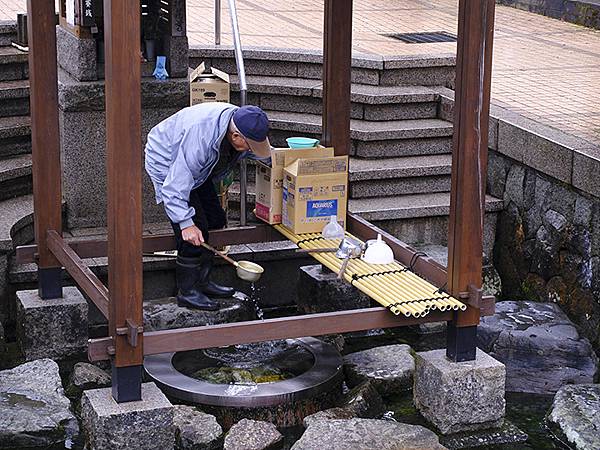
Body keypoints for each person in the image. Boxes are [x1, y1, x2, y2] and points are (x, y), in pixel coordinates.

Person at [145, 102, 271, 310]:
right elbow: (175, 187)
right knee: (194, 229)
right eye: (249, 145)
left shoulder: (240, 122)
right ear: (236, 137)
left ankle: (203, 281)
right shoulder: (201, 138)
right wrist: (186, 224)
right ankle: (187, 291)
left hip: (198, 170)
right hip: (168, 160)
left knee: (215, 219)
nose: (251, 150)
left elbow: (263, 153)